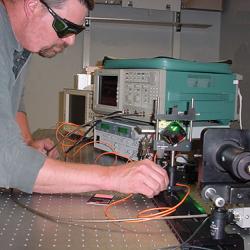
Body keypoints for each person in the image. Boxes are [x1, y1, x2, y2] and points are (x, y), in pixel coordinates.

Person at [0, 0, 168, 198]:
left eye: (76, 31)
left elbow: (15, 97)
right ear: (32, 5)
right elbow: (8, 162)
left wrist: (27, 143)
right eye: (66, 27)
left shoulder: (19, 39)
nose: (71, 41)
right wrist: (114, 177)